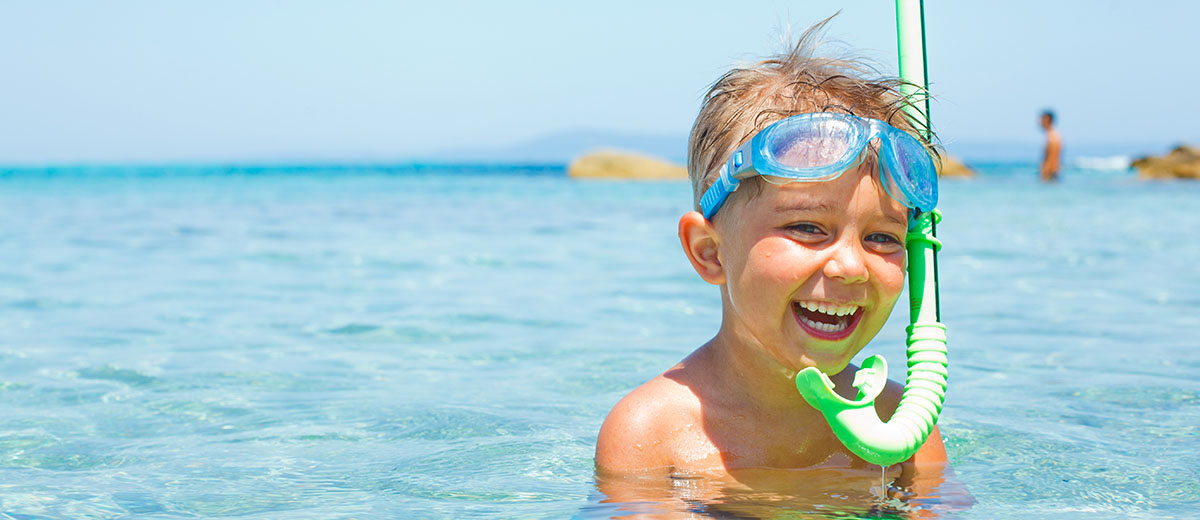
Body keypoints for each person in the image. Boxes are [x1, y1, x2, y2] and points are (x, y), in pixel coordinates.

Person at [595, 20, 949, 486]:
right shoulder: (653, 437)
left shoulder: (903, 430)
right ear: (709, 253)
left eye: (882, 237)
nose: (850, 266)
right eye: (807, 227)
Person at [1040, 110, 1062, 181]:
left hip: (1050, 174)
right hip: (1052, 174)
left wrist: (1045, 175)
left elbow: (1052, 159)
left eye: (1042, 119)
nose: (1040, 122)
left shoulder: (1053, 137)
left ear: (1048, 120)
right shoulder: (1052, 136)